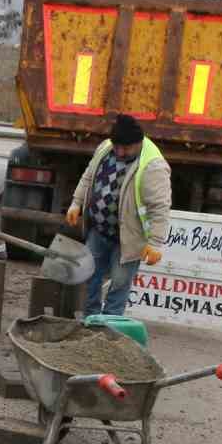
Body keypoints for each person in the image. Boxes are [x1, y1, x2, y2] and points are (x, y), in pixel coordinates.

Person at [66, 113, 172, 318]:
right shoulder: (106, 149)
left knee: (119, 284)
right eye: (117, 147)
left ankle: (109, 325)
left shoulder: (153, 166)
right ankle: (90, 320)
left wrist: (156, 242)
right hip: (99, 231)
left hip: (129, 238)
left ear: (139, 143)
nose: (120, 152)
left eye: (126, 148)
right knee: (89, 276)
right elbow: (88, 177)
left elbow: (160, 208)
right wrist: (76, 203)